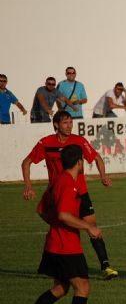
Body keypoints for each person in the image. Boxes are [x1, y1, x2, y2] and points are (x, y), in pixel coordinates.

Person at [11, 144, 102, 304]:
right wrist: (88, 227)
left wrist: (57, 227)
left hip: (54, 242)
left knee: (60, 288)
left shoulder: (57, 180)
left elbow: (42, 210)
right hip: (66, 246)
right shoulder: (69, 183)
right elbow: (63, 214)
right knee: (83, 287)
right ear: (79, 162)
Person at [22, 111, 119, 280]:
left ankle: (105, 265)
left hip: (80, 193)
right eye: (65, 122)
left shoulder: (79, 141)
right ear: (56, 125)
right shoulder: (46, 143)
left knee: (92, 228)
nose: (69, 125)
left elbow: (97, 158)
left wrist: (103, 176)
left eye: (70, 122)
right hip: (57, 194)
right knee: (58, 228)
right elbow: (26, 162)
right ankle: (49, 266)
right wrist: (28, 186)